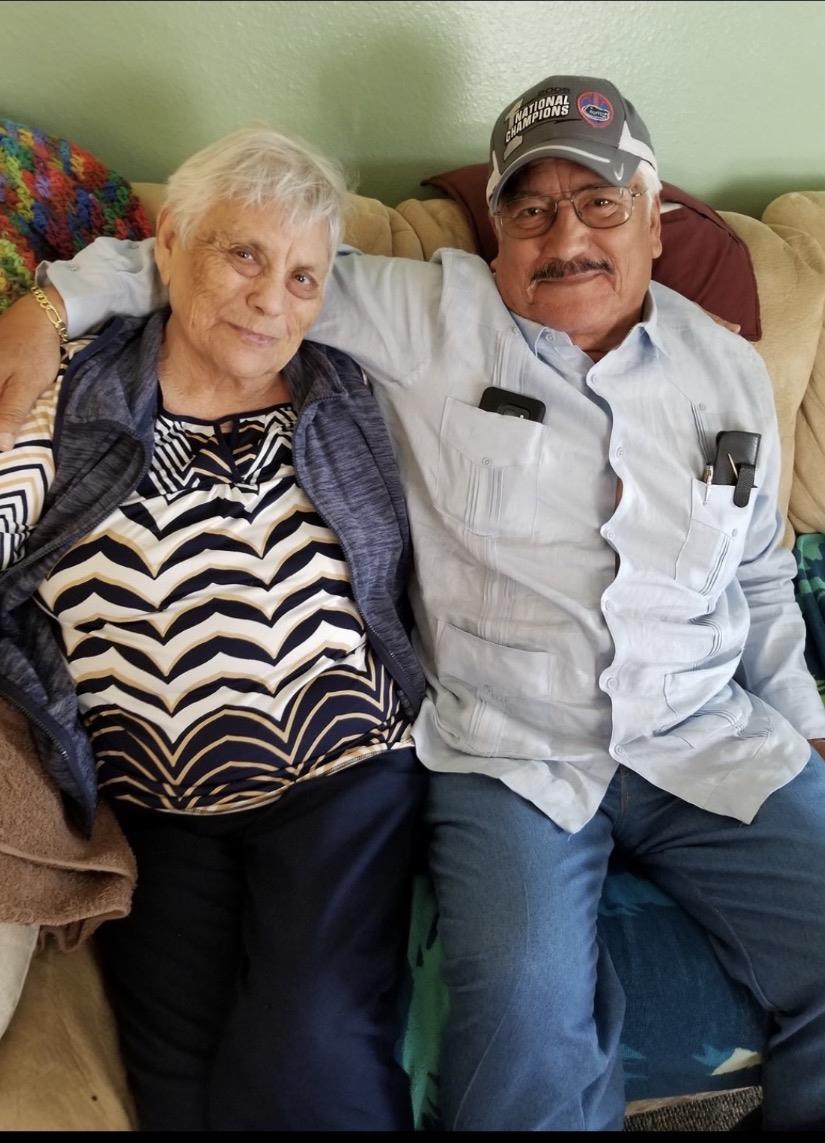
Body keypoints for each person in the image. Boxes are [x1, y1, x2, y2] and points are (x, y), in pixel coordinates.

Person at [2, 74, 825, 1132]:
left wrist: (800, 719)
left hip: (706, 736)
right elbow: (226, 263)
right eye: (530, 208)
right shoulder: (428, 313)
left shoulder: (732, 369)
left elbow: (761, 570)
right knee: (519, 1027)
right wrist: (48, 304)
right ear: (498, 235)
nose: (565, 233)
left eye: (600, 203)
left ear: (655, 218)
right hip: (517, 755)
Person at [0, 126, 429, 1132]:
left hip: (346, 779)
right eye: (243, 255)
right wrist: (48, 304)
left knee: (308, 1049)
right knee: (178, 1082)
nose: (271, 299)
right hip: (155, 804)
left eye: (303, 277)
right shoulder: (69, 393)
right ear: (170, 249)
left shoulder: (348, 392)